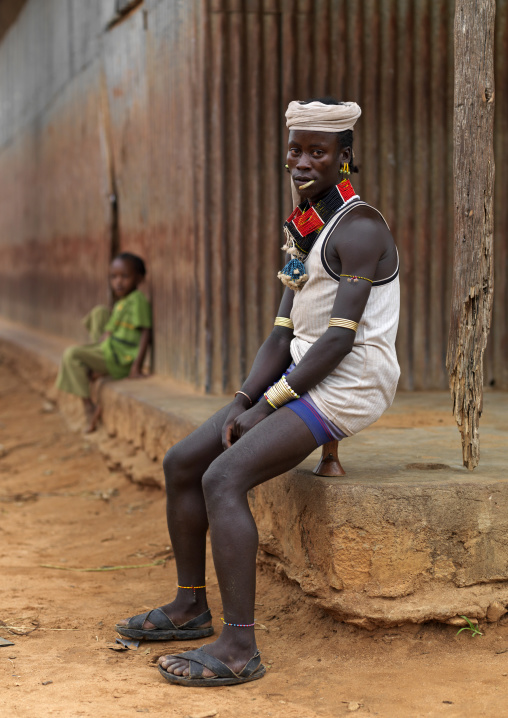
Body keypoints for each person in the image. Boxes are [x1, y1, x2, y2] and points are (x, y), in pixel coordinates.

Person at [116, 98, 400, 686]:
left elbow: (341, 343)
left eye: (317, 152)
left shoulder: (362, 227)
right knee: (183, 461)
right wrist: (246, 399)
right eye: (295, 149)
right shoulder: (306, 225)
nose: (301, 161)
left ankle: (239, 648)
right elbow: (283, 333)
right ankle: (190, 606)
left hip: (350, 383)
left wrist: (270, 404)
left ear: (345, 156)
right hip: (304, 369)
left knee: (223, 477)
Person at [55, 252, 152, 433]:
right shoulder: (122, 302)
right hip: (110, 349)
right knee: (99, 312)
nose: (118, 282)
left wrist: (136, 367)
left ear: (139, 279)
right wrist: (108, 330)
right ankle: (96, 366)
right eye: (114, 277)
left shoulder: (137, 300)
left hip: (119, 358)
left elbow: (146, 331)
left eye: (125, 276)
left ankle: (88, 407)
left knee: (71, 355)